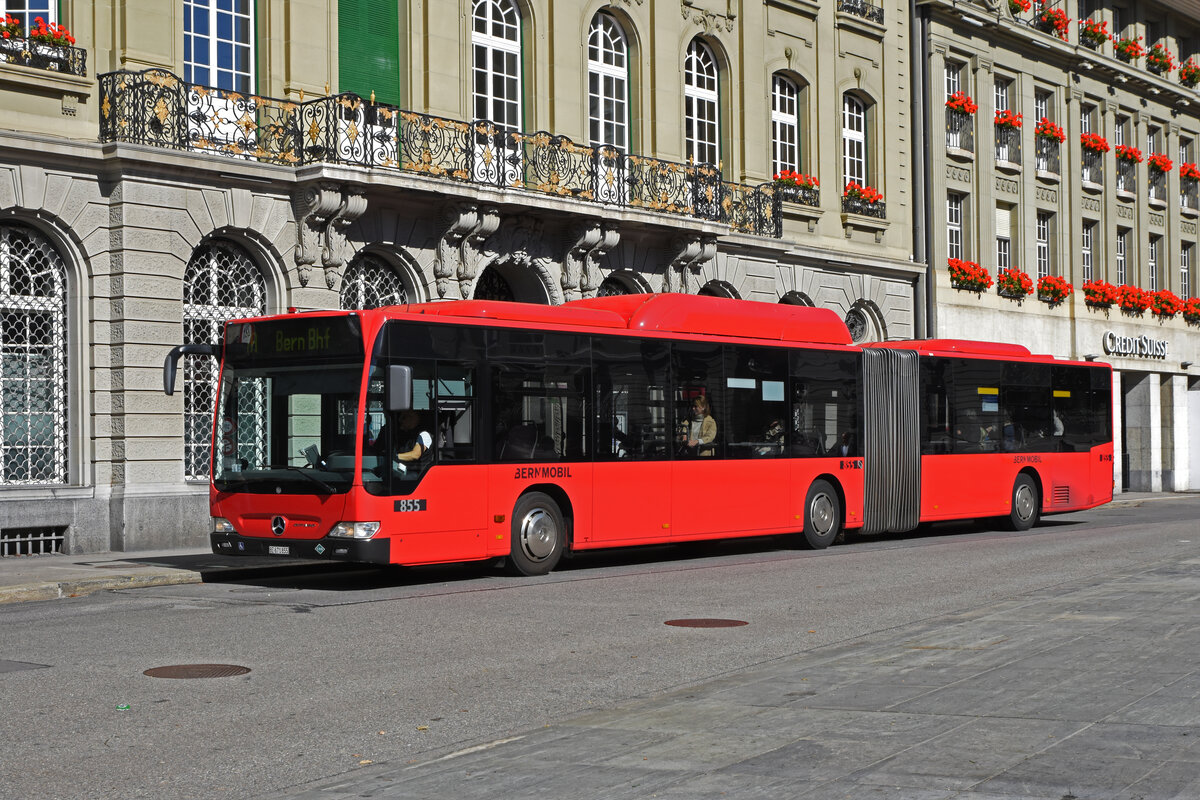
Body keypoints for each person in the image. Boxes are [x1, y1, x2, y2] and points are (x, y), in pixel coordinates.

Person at [378, 410, 433, 474]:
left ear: (413, 418)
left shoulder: (424, 434)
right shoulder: (409, 435)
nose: (400, 420)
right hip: (407, 471)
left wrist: (395, 457)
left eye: (403, 417)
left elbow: (415, 454)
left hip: (420, 474)